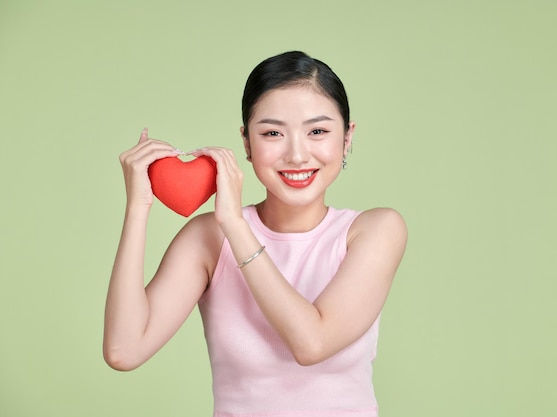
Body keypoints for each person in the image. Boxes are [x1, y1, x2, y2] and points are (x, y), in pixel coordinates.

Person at [103, 50, 408, 417]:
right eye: (273, 133)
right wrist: (138, 206)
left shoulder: (374, 230)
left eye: (318, 131)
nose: (297, 155)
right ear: (247, 143)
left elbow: (311, 343)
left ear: (347, 137)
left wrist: (235, 225)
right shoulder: (206, 240)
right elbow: (124, 350)